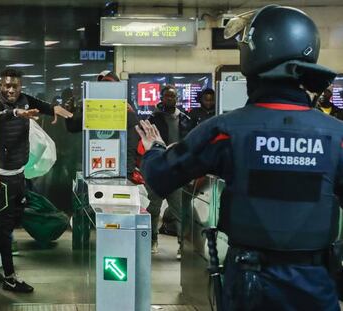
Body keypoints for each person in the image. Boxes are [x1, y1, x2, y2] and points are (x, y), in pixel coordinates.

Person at [136, 5, 340, 310]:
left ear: (252, 54)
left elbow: (162, 175)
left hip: (249, 283)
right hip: (317, 282)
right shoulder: (336, 136)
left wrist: (154, 148)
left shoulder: (226, 130)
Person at [0, 68, 72, 293]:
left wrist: (52, 108)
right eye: (6, 85)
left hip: (18, 174)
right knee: (4, 228)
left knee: (14, 221)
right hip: (2, 177)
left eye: (15, 86)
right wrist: (15, 113)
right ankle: (7, 276)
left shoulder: (24, 99)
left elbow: (39, 103)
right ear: (0, 85)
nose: (10, 90)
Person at [64, 70, 140, 180]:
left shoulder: (125, 110)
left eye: (108, 87)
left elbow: (131, 144)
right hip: (93, 168)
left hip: (118, 170)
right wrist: (70, 112)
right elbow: (73, 127)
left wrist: (127, 172)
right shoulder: (93, 110)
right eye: (101, 87)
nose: (104, 91)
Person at [145, 84, 192, 258]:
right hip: (158, 170)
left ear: (177, 98)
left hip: (176, 171)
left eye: (173, 96)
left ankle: (182, 246)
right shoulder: (153, 119)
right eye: (167, 96)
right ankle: (152, 240)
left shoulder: (185, 119)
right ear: (162, 97)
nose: (170, 99)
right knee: (153, 210)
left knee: (179, 211)